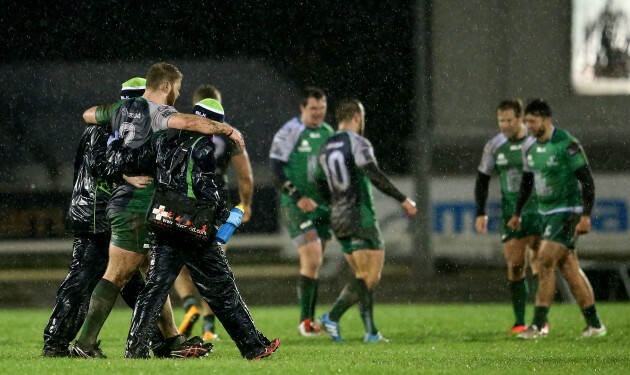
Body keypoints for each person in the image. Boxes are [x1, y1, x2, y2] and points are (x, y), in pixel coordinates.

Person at [71, 62, 243, 358]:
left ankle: (170, 339)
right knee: (116, 274)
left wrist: (122, 152)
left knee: (155, 274)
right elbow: (191, 123)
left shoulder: (120, 109)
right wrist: (228, 130)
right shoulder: (159, 112)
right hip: (135, 206)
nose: (177, 93)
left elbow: (88, 114)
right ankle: (85, 344)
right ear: (165, 86)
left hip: (134, 202)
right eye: (176, 88)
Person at [125, 98, 279, 360]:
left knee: (155, 288)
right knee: (221, 288)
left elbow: (140, 165)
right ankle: (253, 346)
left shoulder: (165, 140)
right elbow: (203, 187)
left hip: (164, 224)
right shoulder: (204, 147)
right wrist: (224, 214)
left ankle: (135, 348)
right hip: (193, 228)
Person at [42, 78, 157, 357]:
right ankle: (55, 343)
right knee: (82, 281)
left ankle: (161, 340)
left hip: (102, 213)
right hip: (95, 216)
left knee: (129, 281)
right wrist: (126, 175)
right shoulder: (103, 127)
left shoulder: (117, 125)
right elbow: (99, 164)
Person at [315, 99, 417, 342]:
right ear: (357, 118)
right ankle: (331, 317)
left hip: (338, 216)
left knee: (361, 276)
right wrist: (403, 199)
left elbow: (320, 183)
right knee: (371, 277)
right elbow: (374, 174)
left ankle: (371, 332)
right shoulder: (357, 142)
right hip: (360, 215)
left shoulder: (326, 146)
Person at [507, 99, 606, 339]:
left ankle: (538, 326)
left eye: (532, 121)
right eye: (526, 121)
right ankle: (595, 325)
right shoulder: (530, 148)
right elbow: (527, 183)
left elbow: (587, 180)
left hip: (566, 212)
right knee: (570, 270)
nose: (528, 125)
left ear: (546, 120)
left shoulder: (566, 143)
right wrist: (517, 213)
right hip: (544, 215)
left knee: (543, 262)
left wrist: (585, 216)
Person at [175, 84, 254, 342]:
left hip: (186, 204)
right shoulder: (230, 135)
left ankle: (189, 306)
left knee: (180, 265)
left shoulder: (183, 128)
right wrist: (246, 202)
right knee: (214, 265)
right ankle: (209, 327)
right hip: (217, 206)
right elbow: (244, 173)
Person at [269, 87, 335, 336]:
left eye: (322, 108)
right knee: (313, 258)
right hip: (296, 207)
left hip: (323, 208)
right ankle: (304, 322)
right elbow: (275, 169)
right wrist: (297, 196)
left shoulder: (329, 133)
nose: (318, 113)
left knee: (315, 264)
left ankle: (309, 321)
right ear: (302, 109)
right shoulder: (289, 132)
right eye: (313, 108)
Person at [474, 99, 541, 335]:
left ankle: (540, 320)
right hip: (510, 213)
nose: (504, 125)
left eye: (509, 120)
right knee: (515, 265)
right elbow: (482, 179)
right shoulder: (494, 145)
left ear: (521, 118)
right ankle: (520, 321)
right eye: (501, 120)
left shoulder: (535, 142)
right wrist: (480, 212)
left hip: (538, 211)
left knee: (541, 265)